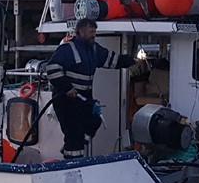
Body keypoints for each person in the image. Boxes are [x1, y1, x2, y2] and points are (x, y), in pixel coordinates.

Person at [45, 18, 135, 159]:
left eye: (95, 31)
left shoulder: (94, 49)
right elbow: (51, 68)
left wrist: (131, 60)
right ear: (80, 32)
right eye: (91, 31)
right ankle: (72, 161)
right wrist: (67, 88)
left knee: (95, 118)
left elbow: (111, 60)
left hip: (84, 97)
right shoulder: (67, 49)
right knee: (74, 134)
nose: (94, 35)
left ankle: (77, 145)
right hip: (66, 99)